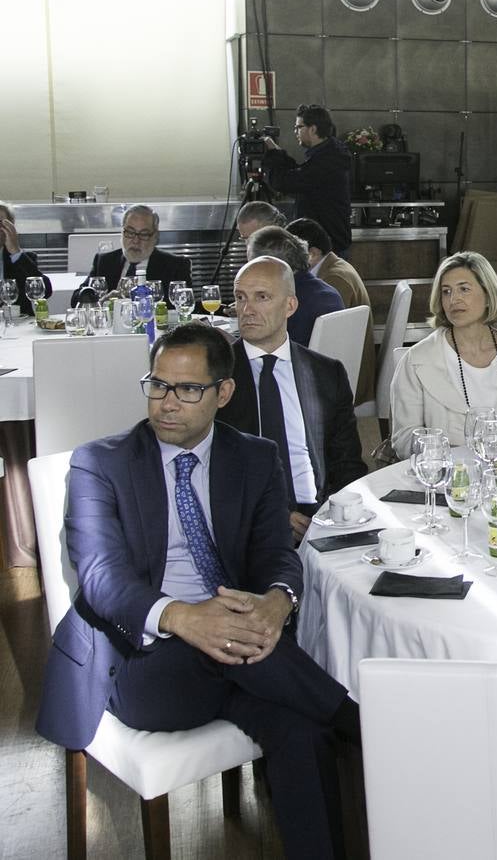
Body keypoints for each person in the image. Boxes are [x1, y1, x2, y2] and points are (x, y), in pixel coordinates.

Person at [34, 323, 361, 860]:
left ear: (223, 393)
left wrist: (280, 599)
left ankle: (333, 730)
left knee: (299, 730)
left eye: (187, 390)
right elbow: (101, 579)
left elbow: (276, 554)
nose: (167, 403)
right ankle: (361, 726)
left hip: (233, 651)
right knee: (253, 655)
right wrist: (185, 618)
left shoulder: (254, 457)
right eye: (157, 385)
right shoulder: (102, 464)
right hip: (138, 661)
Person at [217, 258, 366, 539]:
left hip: (320, 516)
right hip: (247, 523)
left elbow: (347, 464)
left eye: (261, 297)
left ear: (290, 306)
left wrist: (334, 517)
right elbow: (210, 469)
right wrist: (270, 515)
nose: (246, 310)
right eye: (240, 298)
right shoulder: (218, 375)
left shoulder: (325, 373)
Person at [389, 252, 497, 455]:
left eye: (464, 289)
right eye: (446, 292)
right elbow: (403, 439)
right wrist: (450, 454)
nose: (454, 299)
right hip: (447, 478)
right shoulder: (417, 360)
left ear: (488, 296)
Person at [286, 217, 375, 407]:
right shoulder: (333, 267)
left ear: (312, 253)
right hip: (346, 365)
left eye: (291, 255)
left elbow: (322, 337)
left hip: (348, 376)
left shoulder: (334, 278)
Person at [262, 104, 352, 256]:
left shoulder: (327, 160)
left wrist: (273, 156)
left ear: (313, 129)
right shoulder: (327, 154)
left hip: (325, 248)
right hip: (324, 243)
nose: (295, 131)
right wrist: (278, 153)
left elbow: (286, 182)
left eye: (298, 127)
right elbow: (301, 175)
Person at [245, 225, 343, 345]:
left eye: (252, 265)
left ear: (270, 265)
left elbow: (266, 350)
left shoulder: (287, 301)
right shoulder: (329, 292)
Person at [83, 204, 191, 303]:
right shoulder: (104, 262)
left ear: (155, 236)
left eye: (143, 234)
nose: (135, 240)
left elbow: (185, 305)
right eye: (130, 232)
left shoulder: (176, 266)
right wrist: (100, 301)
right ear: (122, 232)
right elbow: (78, 297)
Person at [0, 202, 52, 315]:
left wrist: (15, 252)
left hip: (17, 326)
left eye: (0, 223)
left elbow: (45, 291)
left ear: (11, 226)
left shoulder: (23, 259)